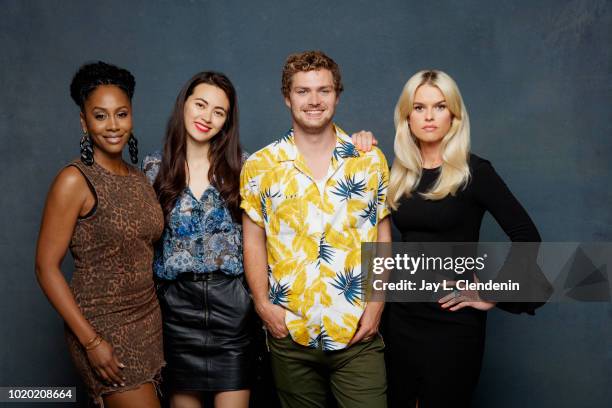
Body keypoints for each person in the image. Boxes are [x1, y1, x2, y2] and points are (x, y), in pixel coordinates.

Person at [240, 50, 392, 408]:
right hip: (291, 333)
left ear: (337, 95)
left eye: (323, 90)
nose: (313, 100)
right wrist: (263, 305)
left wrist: (377, 304)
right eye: (303, 91)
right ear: (287, 97)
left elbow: (381, 238)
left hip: (357, 332)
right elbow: (253, 241)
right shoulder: (260, 166)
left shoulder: (369, 160)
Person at [383, 70, 542, 408]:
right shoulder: (397, 173)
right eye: (419, 107)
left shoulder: (475, 172)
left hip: (452, 323)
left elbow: (527, 236)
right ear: (407, 116)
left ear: (453, 115)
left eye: (439, 107)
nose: (429, 116)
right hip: (401, 319)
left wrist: (494, 293)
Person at [35, 61, 164, 407]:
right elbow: (46, 268)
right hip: (103, 327)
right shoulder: (75, 180)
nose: (113, 126)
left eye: (121, 114)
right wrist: (91, 342)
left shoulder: (138, 178)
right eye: (100, 115)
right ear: (84, 121)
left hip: (149, 321)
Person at [142, 72, 253, 408]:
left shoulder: (246, 168)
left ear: (227, 121)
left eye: (218, 112)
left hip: (231, 309)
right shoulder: (153, 169)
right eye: (201, 104)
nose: (207, 117)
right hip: (176, 313)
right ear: (184, 105)